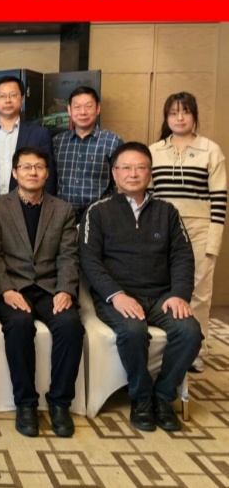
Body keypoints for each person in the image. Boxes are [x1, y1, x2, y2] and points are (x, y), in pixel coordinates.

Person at [79, 141, 202, 432]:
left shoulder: (167, 211)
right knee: (133, 331)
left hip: (162, 297)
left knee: (190, 332)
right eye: (125, 168)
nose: (133, 174)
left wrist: (179, 295)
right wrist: (116, 295)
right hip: (117, 297)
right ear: (114, 173)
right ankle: (141, 396)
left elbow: (183, 257)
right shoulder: (97, 211)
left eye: (140, 167)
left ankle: (164, 395)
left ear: (150, 173)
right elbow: (89, 260)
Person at [0, 146, 83, 438]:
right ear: (14, 173)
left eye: (39, 167)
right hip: (14, 287)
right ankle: (26, 403)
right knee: (19, 324)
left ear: (47, 173)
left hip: (50, 287)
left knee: (70, 325)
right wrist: (5, 289)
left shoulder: (63, 209)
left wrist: (65, 289)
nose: (33, 172)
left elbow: (68, 256)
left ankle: (60, 403)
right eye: (26, 167)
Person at [149, 92, 226, 373]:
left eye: (185, 112)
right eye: (173, 113)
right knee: (165, 287)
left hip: (199, 227)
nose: (179, 118)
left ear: (194, 116)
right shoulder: (154, 150)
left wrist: (213, 241)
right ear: (166, 117)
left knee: (199, 291)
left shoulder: (211, 150)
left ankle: (196, 350)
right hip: (162, 228)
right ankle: (169, 345)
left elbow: (219, 199)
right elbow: (147, 195)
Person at [0, 75, 56, 202]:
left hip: (27, 205)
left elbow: (48, 177)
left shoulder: (39, 134)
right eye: (2, 96)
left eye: (13, 95)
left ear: (22, 99)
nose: (8, 100)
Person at [53, 86, 123, 223]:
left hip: (100, 216)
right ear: (69, 110)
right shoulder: (58, 142)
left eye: (88, 106)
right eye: (77, 107)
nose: (82, 112)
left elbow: (120, 184)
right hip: (62, 216)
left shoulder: (113, 141)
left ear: (98, 108)